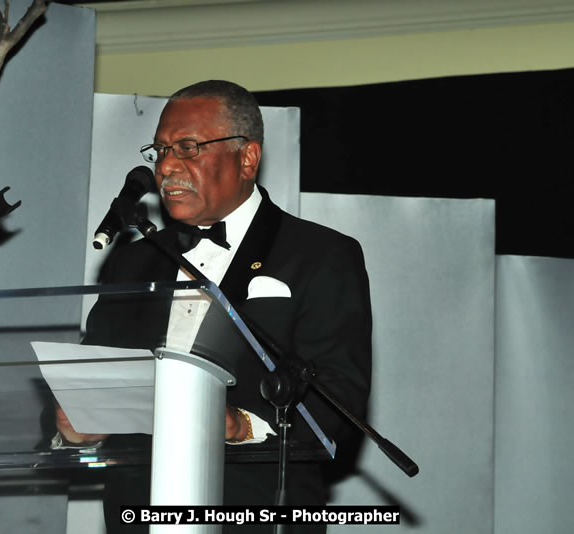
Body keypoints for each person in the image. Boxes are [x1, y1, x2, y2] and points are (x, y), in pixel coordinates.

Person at [56, 80, 372, 533]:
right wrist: (73, 422)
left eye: (187, 147)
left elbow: (339, 405)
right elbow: (96, 378)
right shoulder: (132, 260)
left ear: (247, 158)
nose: (166, 166)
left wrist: (239, 424)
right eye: (160, 150)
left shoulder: (320, 255)